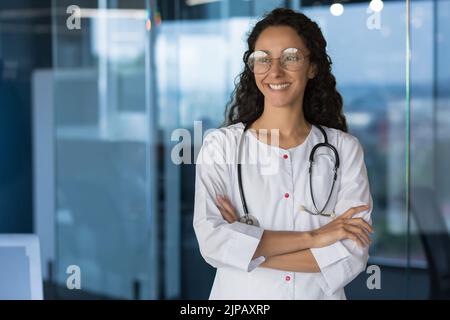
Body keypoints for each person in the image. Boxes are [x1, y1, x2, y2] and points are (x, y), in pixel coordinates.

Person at [193, 8, 373, 300]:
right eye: (263, 59)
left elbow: (350, 255)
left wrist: (246, 247)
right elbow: (213, 243)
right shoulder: (221, 147)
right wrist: (315, 238)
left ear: (312, 66)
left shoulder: (345, 150)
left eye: (290, 57)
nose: (275, 71)